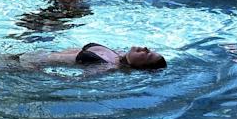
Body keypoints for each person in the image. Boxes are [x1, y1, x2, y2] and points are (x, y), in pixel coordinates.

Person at [18, 43, 167, 70]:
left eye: (148, 55)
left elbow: (74, 82)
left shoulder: (107, 67)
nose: (146, 49)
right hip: (31, 54)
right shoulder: (116, 53)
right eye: (150, 50)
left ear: (139, 67)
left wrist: (37, 70)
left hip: (26, 65)